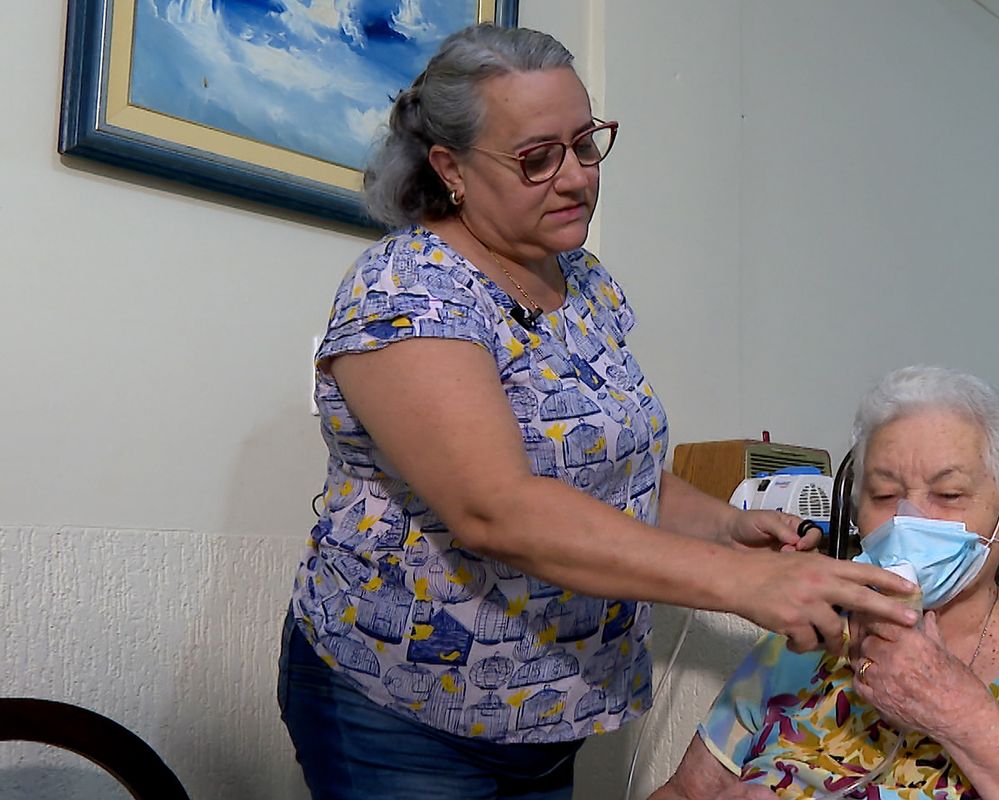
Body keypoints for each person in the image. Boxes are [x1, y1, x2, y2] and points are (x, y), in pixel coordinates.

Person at [276, 24, 917, 800]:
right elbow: (496, 509)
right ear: (451, 168)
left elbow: (613, 468)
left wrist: (725, 527)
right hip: (405, 718)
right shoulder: (407, 290)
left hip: (546, 716)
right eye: (537, 159)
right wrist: (742, 584)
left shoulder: (581, 281)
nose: (577, 178)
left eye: (586, 145)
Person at [651, 366, 999, 800]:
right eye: (883, 494)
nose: (907, 518)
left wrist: (958, 710)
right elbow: (681, 793)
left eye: (947, 496)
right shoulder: (803, 641)